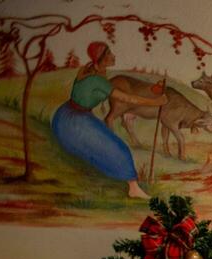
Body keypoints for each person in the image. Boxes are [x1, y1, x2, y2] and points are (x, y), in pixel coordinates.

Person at [51, 42, 164, 198]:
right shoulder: (98, 80)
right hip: (73, 123)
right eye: (109, 53)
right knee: (119, 149)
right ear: (102, 59)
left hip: (65, 115)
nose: (113, 55)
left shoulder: (89, 71)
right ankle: (133, 188)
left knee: (101, 143)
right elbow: (128, 99)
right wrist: (156, 102)